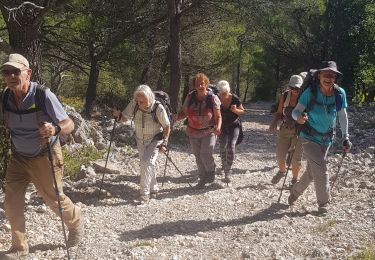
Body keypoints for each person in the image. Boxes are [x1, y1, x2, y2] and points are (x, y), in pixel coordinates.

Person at [0, 53, 83, 257]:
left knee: (53, 198)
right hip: (19, 156)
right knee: (11, 202)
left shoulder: (42, 95)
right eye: (6, 72)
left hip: (44, 154)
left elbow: (69, 124)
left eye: (15, 71)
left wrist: (54, 128)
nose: (11, 76)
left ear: (28, 73)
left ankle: (75, 221)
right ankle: (19, 247)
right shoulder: (5, 97)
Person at [288, 61, 352, 214]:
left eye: (332, 75)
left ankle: (295, 193)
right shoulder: (310, 92)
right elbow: (295, 112)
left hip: (327, 138)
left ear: (335, 78)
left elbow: (342, 115)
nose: (329, 78)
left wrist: (346, 136)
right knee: (321, 170)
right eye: (326, 74)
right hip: (308, 137)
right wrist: (299, 119)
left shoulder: (339, 93)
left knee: (313, 171)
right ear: (319, 76)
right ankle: (323, 204)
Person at [112, 84, 170, 203]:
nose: (140, 104)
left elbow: (167, 126)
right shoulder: (134, 104)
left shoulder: (158, 108)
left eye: (143, 101)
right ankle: (154, 189)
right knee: (147, 164)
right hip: (140, 140)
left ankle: (144, 194)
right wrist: (118, 116)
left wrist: (164, 143)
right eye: (138, 101)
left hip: (155, 139)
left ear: (150, 97)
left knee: (146, 162)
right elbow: (125, 118)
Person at [175, 73, 222, 189]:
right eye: (197, 84)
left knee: (205, 153)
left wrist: (218, 127)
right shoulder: (190, 97)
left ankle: (211, 171)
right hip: (193, 132)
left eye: (202, 83)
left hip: (209, 132)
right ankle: (202, 179)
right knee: (198, 156)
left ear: (206, 84)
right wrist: (175, 118)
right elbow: (184, 113)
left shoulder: (213, 98)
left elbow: (218, 116)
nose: (200, 85)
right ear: (195, 86)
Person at [269, 75, 304, 188]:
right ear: (289, 87)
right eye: (293, 87)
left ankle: (294, 179)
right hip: (285, 128)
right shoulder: (285, 96)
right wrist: (274, 123)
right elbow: (279, 112)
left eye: (298, 88)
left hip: (300, 130)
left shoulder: (305, 97)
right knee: (280, 155)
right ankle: (282, 171)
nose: (295, 90)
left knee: (296, 158)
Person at [216, 80, 244, 183]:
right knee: (222, 145)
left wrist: (235, 110)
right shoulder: (216, 98)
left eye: (225, 93)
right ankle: (224, 165)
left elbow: (242, 111)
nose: (223, 96)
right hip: (222, 126)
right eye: (221, 94)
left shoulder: (235, 98)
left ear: (228, 91)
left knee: (231, 145)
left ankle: (228, 171)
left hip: (234, 125)